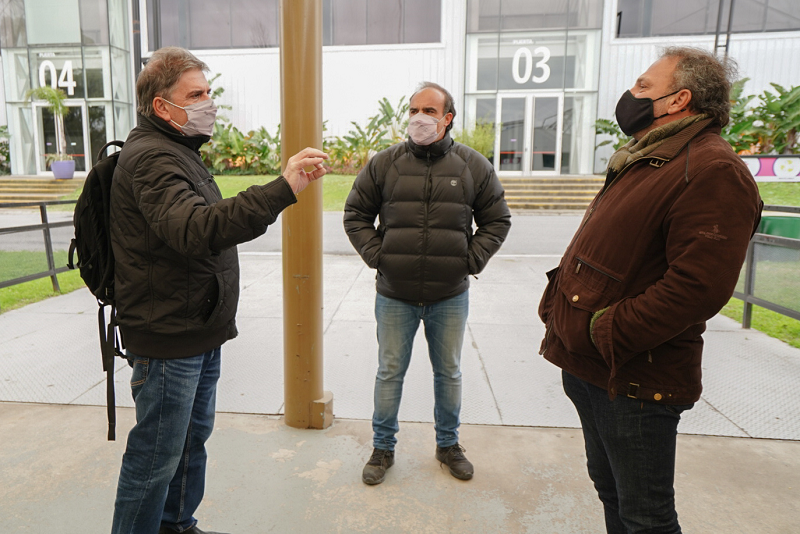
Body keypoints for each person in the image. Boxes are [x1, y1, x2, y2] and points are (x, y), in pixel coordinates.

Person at [537, 47, 762, 533]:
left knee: (646, 518)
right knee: (612, 493)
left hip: (634, 378)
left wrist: (603, 331)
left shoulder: (712, 169)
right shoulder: (651, 156)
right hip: (594, 368)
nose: (630, 94)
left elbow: (697, 287)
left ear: (679, 99)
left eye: (643, 86)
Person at [109, 47, 327, 534]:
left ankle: (176, 524)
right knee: (155, 458)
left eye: (208, 92)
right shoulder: (152, 158)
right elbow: (197, 229)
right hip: (169, 337)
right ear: (162, 106)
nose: (209, 103)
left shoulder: (178, 151)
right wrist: (282, 188)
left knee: (189, 444)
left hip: (197, 328)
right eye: (196, 95)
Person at [344, 81, 511, 485]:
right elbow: (355, 215)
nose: (419, 118)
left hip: (449, 295)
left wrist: (468, 261)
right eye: (414, 110)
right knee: (389, 372)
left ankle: (448, 445)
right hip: (395, 294)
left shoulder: (473, 165)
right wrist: (380, 257)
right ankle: (382, 448)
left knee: (448, 373)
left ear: (447, 118)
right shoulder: (385, 163)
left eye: (429, 111)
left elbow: (497, 220)